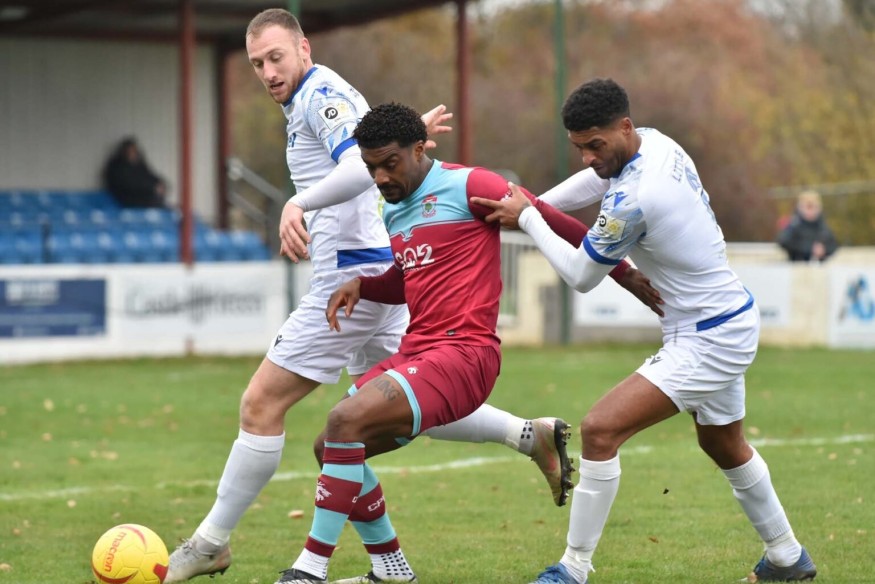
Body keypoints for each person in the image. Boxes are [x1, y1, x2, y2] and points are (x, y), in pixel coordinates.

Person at [164, 11, 660, 583]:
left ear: (303, 47)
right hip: (371, 282)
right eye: (256, 64)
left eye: (276, 57)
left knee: (266, 407)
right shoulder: (397, 197)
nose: (268, 71)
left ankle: (235, 548)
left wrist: (300, 203)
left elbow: (532, 209)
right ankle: (402, 557)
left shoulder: (324, 96)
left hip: (368, 287)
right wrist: (398, 159)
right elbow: (370, 155)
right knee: (346, 437)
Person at [275, 102, 659, 584]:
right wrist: (366, 286)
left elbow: (547, 216)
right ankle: (390, 569)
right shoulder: (392, 209)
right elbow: (410, 278)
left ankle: (309, 570)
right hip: (420, 352)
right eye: (371, 168)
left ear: (419, 149)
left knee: (342, 420)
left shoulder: (470, 185)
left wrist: (624, 274)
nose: (380, 177)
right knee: (330, 444)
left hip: (466, 354)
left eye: (389, 164)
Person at [472, 78, 817, 583]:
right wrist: (535, 203)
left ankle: (573, 569)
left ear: (624, 127)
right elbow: (597, 182)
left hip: (709, 336)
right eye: (579, 147)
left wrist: (529, 217)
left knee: (600, 429)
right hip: (724, 317)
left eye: (595, 145)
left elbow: (582, 276)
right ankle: (787, 558)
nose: (588, 157)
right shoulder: (654, 141)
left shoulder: (635, 198)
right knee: (723, 444)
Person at [102, 137, 169, 208]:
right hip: (125, 197)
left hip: (140, 195)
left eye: (134, 151)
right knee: (152, 199)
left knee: (161, 201)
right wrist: (152, 187)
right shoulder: (116, 166)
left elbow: (149, 175)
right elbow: (129, 184)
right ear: (124, 152)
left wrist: (160, 184)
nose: (132, 153)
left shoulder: (139, 164)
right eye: (130, 151)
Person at [776, 190, 839, 262]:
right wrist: (809, 248)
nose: (811, 211)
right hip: (797, 267)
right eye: (808, 207)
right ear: (800, 207)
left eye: (813, 207)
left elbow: (833, 245)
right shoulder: (794, 225)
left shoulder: (823, 227)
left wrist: (824, 250)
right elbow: (783, 241)